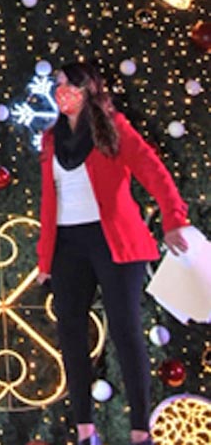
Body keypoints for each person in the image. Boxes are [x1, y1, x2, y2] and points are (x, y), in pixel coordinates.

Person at [36, 62, 191, 445]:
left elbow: (155, 173)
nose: (60, 92)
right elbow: (47, 202)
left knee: (125, 331)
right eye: (56, 85)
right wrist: (44, 259)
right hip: (69, 245)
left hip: (114, 241)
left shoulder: (113, 127)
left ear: (87, 89)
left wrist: (174, 219)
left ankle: (141, 430)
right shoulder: (51, 139)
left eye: (67, 85)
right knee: (71, 330)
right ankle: (85, 428)